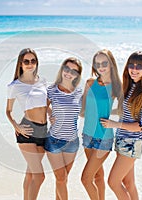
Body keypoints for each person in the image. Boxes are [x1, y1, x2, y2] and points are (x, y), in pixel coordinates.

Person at [100, 51, 142, 200]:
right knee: (128, 182)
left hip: (133, 143)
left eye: (139, 66)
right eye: (131, 65)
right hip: (122, 140)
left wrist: (114, 124)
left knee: (113, 182)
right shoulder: (129, 87)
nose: (134, 69)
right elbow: (124, 111)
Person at [80, 49, 122, 200]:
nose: (101, 67)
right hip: (87, 135)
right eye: (97, 64)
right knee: (98, 176)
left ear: (111, 64)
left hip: (104, 138)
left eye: (104, 63)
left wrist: (113, 122)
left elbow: (123, 111)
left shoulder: (117, 86)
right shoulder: (90, 83)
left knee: (85, 179)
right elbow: (83, 110)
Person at [6, 48, 48, 200]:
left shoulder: (42, 81)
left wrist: (52, 115)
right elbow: (8, 111)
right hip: (27, 131)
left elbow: (45, 104)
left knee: (31, 173)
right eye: (26, 61)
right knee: (40, 176)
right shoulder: (14, 86)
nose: (30, 64)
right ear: (21, 64)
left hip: (43, 131)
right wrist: (16, 125)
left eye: (33, 61)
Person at [44, 57, 83, 200]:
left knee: (63, 179)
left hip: (72, 142)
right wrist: (50, 115)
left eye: (74, 71)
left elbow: (84, 112)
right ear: (62, 69)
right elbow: (43, 107)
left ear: (77, 75)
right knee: (61, 178)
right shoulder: (51, 90)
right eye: (67, 69)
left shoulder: (79, 92)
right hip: (54, 140)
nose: (69, 73)